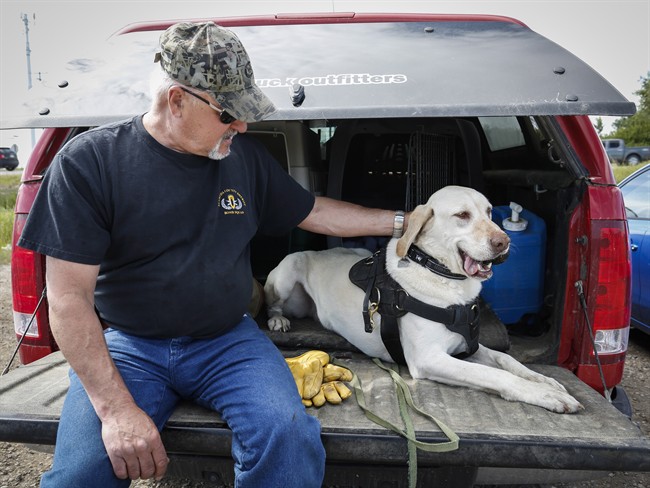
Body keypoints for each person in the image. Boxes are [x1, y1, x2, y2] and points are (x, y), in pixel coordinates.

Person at [18, 21, 404, 487]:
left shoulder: (244, 158)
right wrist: (118, 411)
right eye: (229, 113)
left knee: (287, 436)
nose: (241, 125)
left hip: (228, 342)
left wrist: (405, 222)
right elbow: (67, 298)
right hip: (129, 346)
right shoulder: (89, 164)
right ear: (176, 100)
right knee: (81, 475)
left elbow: (315, 212)